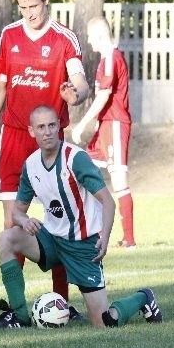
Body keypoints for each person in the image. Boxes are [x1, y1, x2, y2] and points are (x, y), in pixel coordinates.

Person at [0, 0, 90, 320]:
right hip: (13, 138)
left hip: (49, 142)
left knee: (59, 222)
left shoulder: (63, 39)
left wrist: (76, 94)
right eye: (23, 6)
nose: (29, 13)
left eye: (34, 6)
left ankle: (60, 304)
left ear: (46, 2)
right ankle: (18, 310)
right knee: (13, 225)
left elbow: (80, 81)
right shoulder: (9, 36)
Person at [0, 105, 162, 329]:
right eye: (41, 127)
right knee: (6, 238)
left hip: (84, 246)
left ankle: (143, 298)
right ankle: (21, 316)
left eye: (52, 125)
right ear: (31, 131)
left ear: (60, 127)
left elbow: (108, 202)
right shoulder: (31, 165)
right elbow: (17, 210)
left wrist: (105, 237)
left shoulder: (76, 159)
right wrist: (24, 221)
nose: (47, 132)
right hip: (51, 239)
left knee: (104, 323)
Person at [71, 17, 136, 249]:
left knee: (119, 181)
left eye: (90, 36)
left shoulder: (111, 59)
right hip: (105, 125)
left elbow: (104, 97)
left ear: (99, 35)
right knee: (84, 172)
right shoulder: (105, 60)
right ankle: (93, 231)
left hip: (116, 125)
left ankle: (129, 239)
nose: (89, 42)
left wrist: (82, 124)